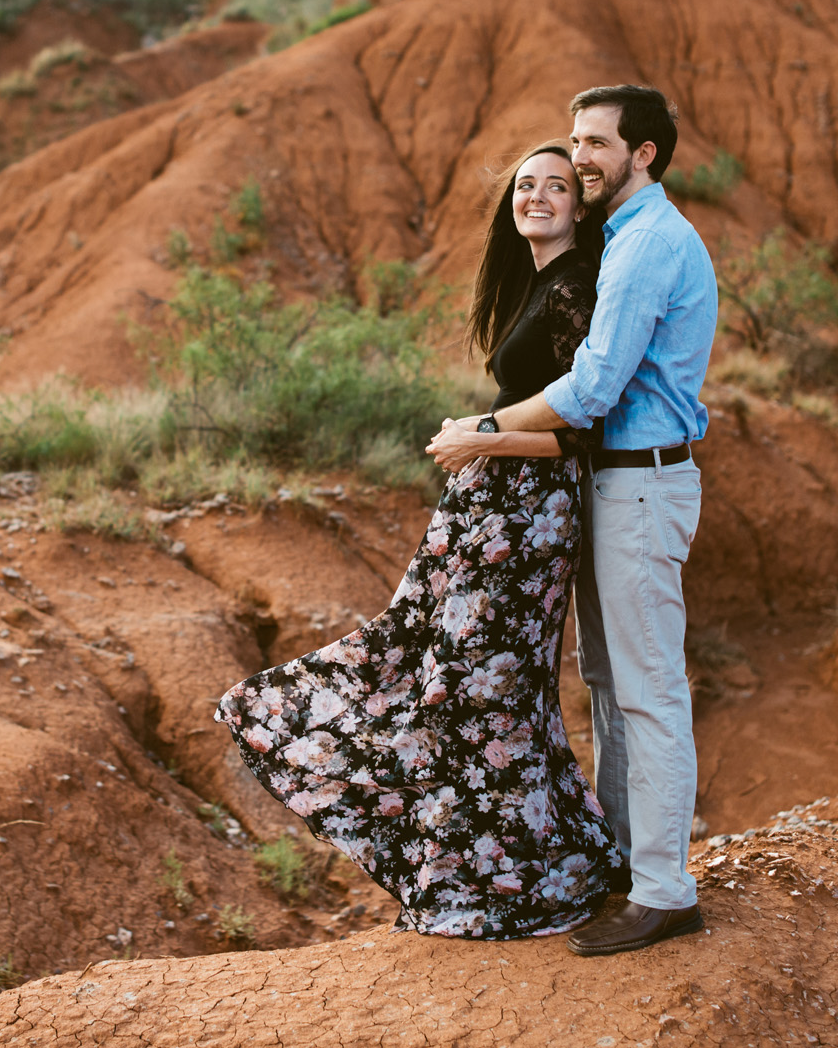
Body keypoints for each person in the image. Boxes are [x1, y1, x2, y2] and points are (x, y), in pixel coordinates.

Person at [215, 142, 621, 939]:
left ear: (581, 206)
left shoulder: (577, 287)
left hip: (529, 520)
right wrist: (480, 448)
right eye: (525, 186)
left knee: (481, 694)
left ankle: (526, 885)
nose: (536, 196)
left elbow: (586, 431)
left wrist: (483, 438)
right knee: (449, 679)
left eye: (557, 186)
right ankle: (534, 870)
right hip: (493, 511)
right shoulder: (538, 285)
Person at [433, 84, 717, 957]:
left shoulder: (645, 248)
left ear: (644, 155)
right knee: (610, 685)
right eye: (575, 139)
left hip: (639, 484)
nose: (580, 156)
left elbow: (593, 390)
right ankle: (631, 865)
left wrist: (482, 432)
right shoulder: (624, 239)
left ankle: (666, 891)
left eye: (595, 143)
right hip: (615, 486)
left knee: (649, 691)